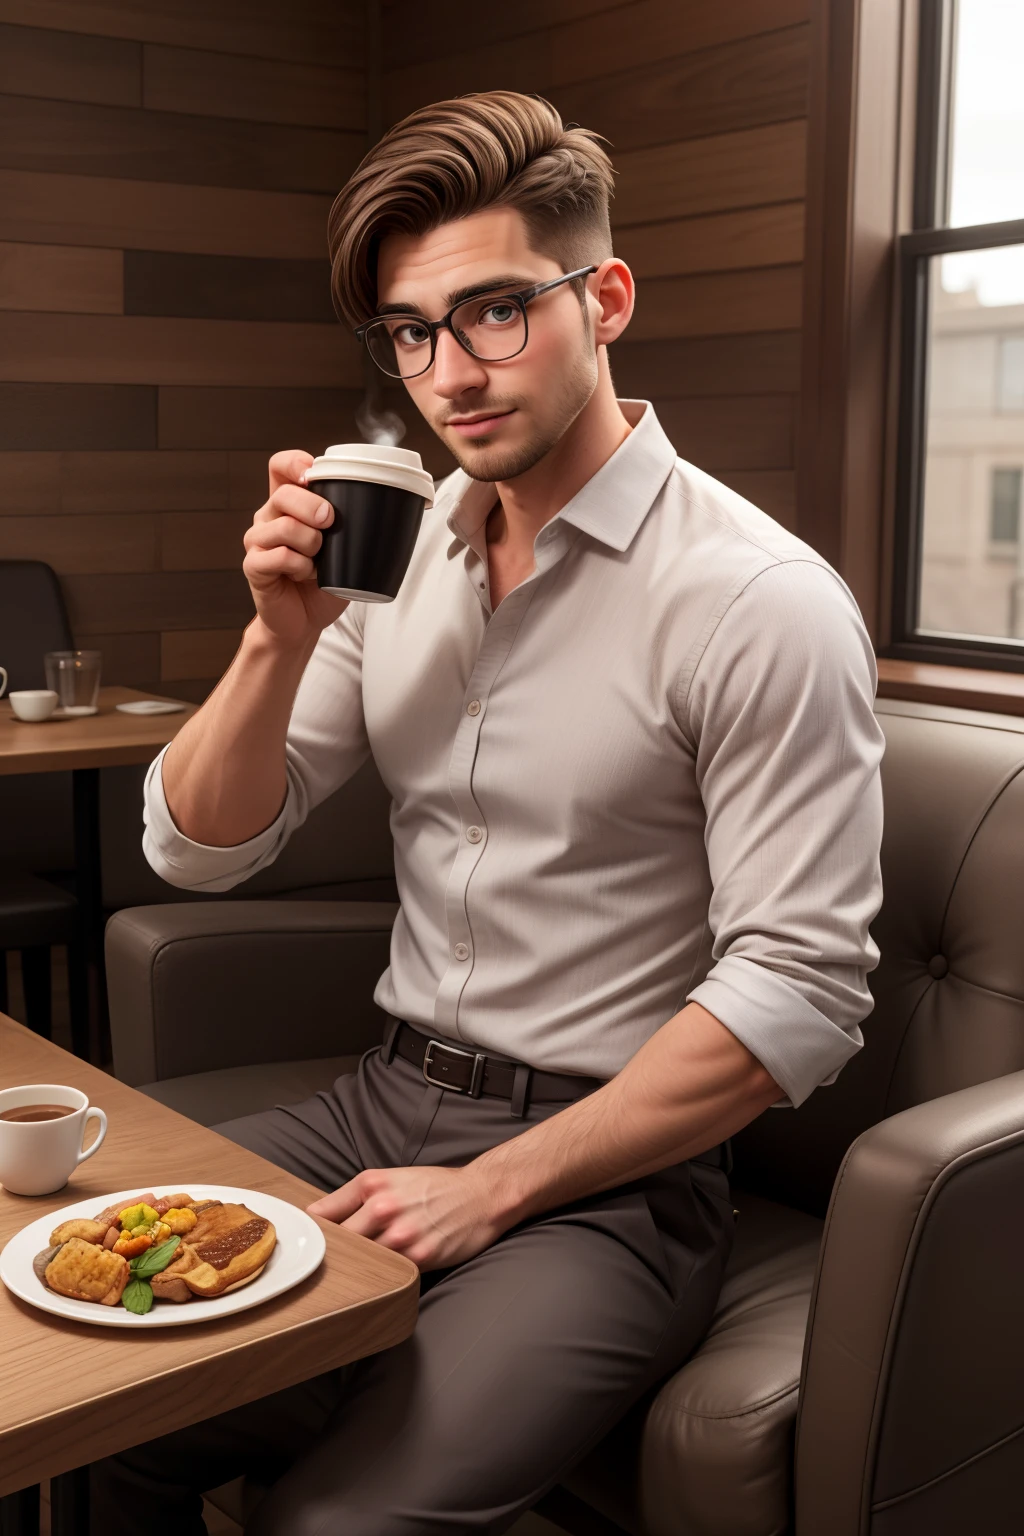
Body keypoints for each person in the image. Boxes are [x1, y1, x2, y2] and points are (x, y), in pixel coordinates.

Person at [93, 91, 884, 1535]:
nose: (447, 371)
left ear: (608, 298)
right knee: (80, 1402)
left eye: (496, 312)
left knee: (334, 1525)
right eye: (409, 331)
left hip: (615, 1179)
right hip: (379, 1100)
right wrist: (276, 634)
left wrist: (497, 1188)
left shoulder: (758, 604)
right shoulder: (396, 559)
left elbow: (801, 991)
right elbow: (197, 851)